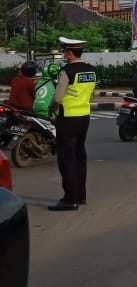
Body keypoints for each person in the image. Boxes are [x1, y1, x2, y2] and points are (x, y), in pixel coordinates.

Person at [48, 37, 97, 211]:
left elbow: (57, 98)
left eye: (64, 51)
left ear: (69, 53)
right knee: (79, 156)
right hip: (84, 117)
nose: (63, 54)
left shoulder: (66, 71)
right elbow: (89, 93)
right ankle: (80, 195)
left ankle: (70, 199)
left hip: (67, 118)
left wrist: (51, 108)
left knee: (66, 159)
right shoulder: (91, 71)